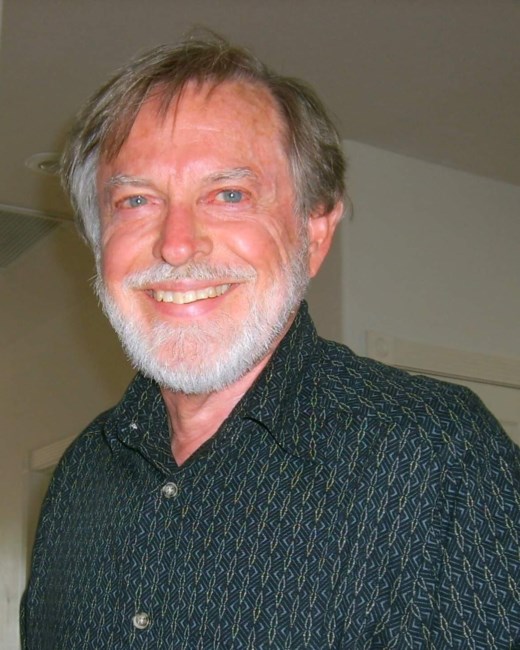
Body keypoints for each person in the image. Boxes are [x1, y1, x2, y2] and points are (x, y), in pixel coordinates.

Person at [21, 34, 519, 649]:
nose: (177, 244)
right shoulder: (81, 474)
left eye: (229, 195)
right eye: (137, 200)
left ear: (315, 233)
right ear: (99, 244)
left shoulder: (436, 455)